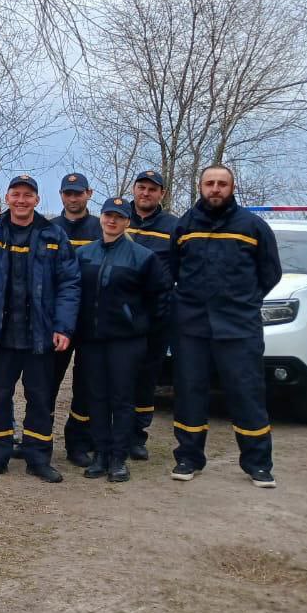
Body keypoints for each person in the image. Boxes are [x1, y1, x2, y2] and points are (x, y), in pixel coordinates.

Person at [170, 164, 282, 488]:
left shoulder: (252, 226)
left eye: (221, 184)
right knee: (190, 393)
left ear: (232, 188)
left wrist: (245, 301)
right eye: (209, 183)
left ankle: (258, 464)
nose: (215, 189)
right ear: (200, 186)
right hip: (192, 327)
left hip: (238, 327)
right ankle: (188, 458)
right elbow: (172, 269)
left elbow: (270, 273)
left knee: (246, 393)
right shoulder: (185, 226)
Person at [0, 174, 80, 483]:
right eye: (16, 194)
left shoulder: (54, 235)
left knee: (40, 398)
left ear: (37, 200)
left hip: (39, 335)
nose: (22, 200)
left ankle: (38, 458)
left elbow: (69, 284)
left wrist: (64, 327)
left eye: (28, 195)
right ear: (8, 197)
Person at [74, 197, 170, 482]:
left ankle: (119, 457)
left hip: (126, 341)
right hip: (92, 339)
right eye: (108, 215)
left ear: (128, 221)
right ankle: (100, 454)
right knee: (97, 398)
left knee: (122, 398)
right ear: (101, 217)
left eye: (119, 216)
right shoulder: (85, 254)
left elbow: (160, 298)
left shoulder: (142, 256)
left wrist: (142, 326)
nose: (112, 221)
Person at [49, 172, 103, 467]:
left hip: (91, 320)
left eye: (78, 193)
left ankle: (78, 443)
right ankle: (39, 440)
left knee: (86, 385)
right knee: (47, 383)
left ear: (88, 194)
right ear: (61, 195)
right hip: (55, 320)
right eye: (68, 193)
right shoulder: (49, 228)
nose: (73, 198)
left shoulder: (100, 228)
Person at [126, 169, 179, 460]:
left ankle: (136, 436)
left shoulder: (173, 226)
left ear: (161, 194)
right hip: (118, 315)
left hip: (155, 317)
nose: (145, 193)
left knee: (146, 379)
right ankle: (106, 432)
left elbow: (180, 269)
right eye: (141, 187)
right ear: (134, 190)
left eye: (152, 189)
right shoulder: (117, 218)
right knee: (113, 376)